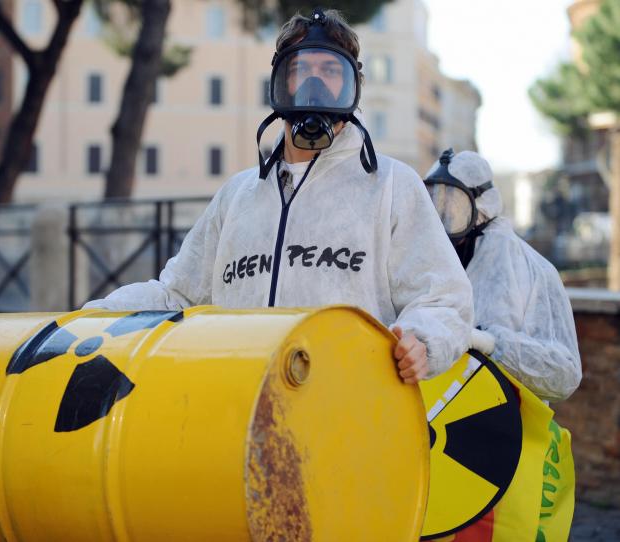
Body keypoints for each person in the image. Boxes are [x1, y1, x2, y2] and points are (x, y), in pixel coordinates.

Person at [85, 9, 474, 384]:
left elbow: (443, 297)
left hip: (349, 412)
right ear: (280, 81)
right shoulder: (238, 195)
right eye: (302, 69)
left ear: (353, 87)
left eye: (330, 71)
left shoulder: (391, 185)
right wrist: (90, 319)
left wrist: (423, 340)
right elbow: (177, 295)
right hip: (238, 408)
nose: (315, 83)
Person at [423, 149, 582, 401]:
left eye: (453, 204)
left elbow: (565, 375)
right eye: (434, 202)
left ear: (481, 204)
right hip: (435, 422)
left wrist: (493, 343)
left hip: (506, 426)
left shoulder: (533, 271)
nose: (443, 216)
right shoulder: (427, 265)